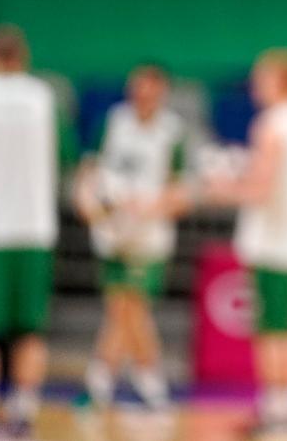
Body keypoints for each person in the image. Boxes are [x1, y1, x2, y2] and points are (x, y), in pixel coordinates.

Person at [203, 48, 287, 435]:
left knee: (272, 328)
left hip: (272, 241)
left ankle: (277, 410)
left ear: (280, 80)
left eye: (261, 78)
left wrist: (218, 188)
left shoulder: (274, 124)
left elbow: (259, 188)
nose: (256, 86)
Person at [73, 63, 189, 412]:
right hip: (112, 232)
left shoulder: (172, 130)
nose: (143, 94)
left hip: (148, 235)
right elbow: (88, 173)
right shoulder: (113, 121)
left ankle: (120, 382)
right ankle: (139, 382)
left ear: (162, 91)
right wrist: (89, 204)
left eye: (151, 88)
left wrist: (152, 207)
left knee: (131, 306)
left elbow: (180, 190)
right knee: (120, 307)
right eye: (137, 87)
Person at [0, 25, 60, 438]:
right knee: (30, 328)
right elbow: (67, 157)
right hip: (34, 230)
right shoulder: (44, 99)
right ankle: (24, 412)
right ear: (22, 58)